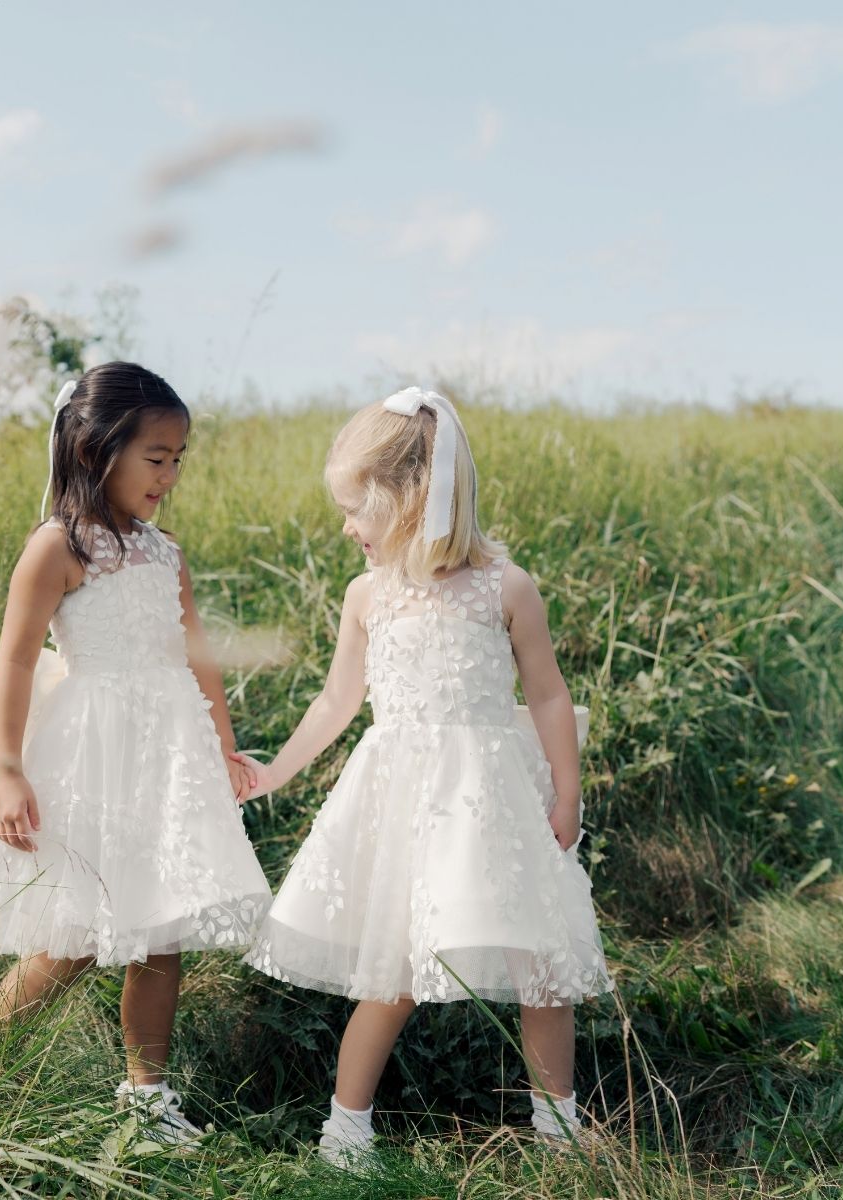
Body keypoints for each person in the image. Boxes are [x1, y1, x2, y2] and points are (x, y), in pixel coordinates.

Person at [237, 386, 611, 1165]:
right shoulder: (367, 597)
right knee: (395, 968)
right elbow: (340, 700)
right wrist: (275, 770)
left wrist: (568, 791)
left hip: (492, 799)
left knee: (541, 963)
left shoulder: (504, 587)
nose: (346, 528)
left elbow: (546, 692)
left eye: (356, 509)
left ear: (410, 498)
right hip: (403, 799)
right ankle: (346, 1130)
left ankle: (559, 1126)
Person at [0, 361, 272, 1143]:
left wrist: (221, 746)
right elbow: (14, 660)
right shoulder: (57, 546)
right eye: (157, 457)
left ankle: (147, 1099)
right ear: (95, 449)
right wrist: (8, 770)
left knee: (163, 933)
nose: (170, 475)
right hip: (92, 754)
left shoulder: (164, 553)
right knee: (73, 939)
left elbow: (198, 654)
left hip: (168, 754)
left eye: (179, 458)